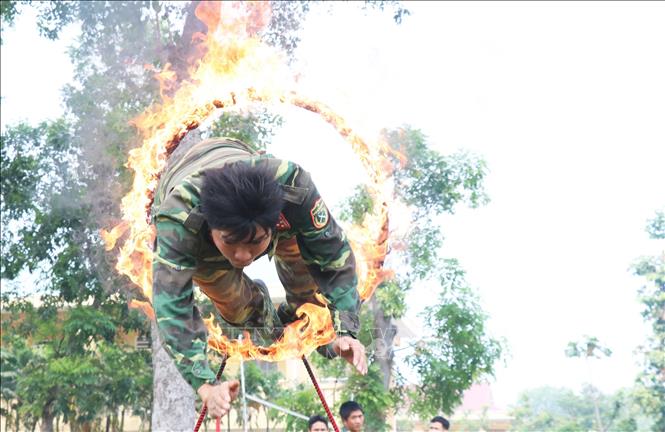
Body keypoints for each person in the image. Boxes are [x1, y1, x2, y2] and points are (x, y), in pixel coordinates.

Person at [151, 137, 368, 418]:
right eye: (231, 243)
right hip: (199, 231)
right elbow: (172, 306)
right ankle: (261, 313)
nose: (243, 256)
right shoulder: (179, 218)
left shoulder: (294, 188)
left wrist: (345, 331)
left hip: (265, 205)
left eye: (255, 243)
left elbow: (334, 258)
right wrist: (204, 383)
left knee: (310, 296)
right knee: (237, 307)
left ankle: (312, 329)